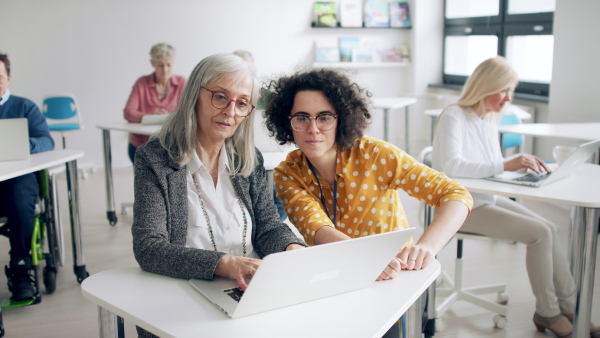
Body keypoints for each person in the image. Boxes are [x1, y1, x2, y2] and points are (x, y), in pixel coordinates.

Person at [131, 53, 306, 338]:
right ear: (194, 96)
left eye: (242, 103)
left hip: (248, 292)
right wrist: (224, 263)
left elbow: (268, 227)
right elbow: (149, 248)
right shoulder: (155, 159)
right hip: (184, 293)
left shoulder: (249, 159)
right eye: (220, 97)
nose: (230, 112)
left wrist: (291, 248)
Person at [431, 56, 599, 338]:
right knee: (539, 234)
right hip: (458, 207)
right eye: (504, 90)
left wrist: (519, 171)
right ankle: (548, 312)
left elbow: (488, 168)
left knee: (551, 228)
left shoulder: (487, 119)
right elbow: (453, 166)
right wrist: (507, 164)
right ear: (486, 86)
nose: (508, 97)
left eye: (511, 90)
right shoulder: (454, 116)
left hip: (485, 198)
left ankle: (571, 309)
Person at [263, 68, 472, 280]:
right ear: (287, 121)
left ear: (341, 119)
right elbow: (316, 227)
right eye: (301, 118)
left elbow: (456, 195)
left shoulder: (374, 155)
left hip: (396, 277)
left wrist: (427, 246)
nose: (313, 128)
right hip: (336, 276)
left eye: (324, 118)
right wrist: (366, 258)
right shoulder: (287, 174)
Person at [0, 53, 54, 300]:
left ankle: (21, 267)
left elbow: (46, 141)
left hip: (17, 179)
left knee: (22, 201)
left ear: (8, 78)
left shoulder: (24, 107)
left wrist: (19, 143)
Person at [233, 49, 288, 221]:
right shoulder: (228, 99)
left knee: (279, 192)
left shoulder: (271, 97)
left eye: (249, 70)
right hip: (238, 156)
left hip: (271, 156)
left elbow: (285, 124)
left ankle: (269, 227)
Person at [123, 43, 187, 164]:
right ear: (153, 64)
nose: (165, 70)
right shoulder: (142, 83)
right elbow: (128, 113)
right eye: (160, 65)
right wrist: (149, 114)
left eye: (168, 65)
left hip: (171, 144)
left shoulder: (182, 83)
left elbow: (189, 111)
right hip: (141, 145)